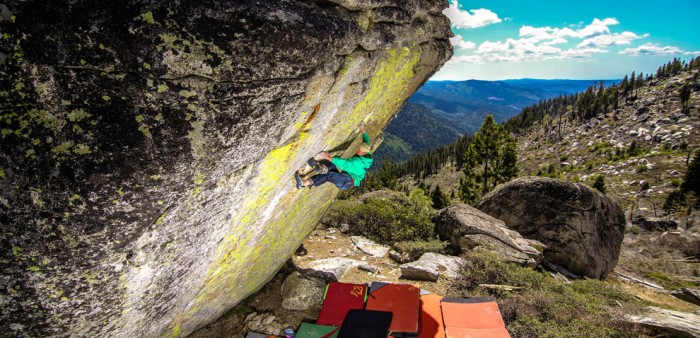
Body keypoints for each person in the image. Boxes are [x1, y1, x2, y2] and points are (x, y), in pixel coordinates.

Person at [295, 122, 373, 190]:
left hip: (347, 182)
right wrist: (362, 129)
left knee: (328, 175)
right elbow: (366, 141)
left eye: (359, 150)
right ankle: (322, 168)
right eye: (358, 148)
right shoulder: (367, 155)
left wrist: (327, 157)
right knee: (331, 164)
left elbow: (344, 164)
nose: (357, 150)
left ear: (363, 153)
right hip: (346, 177)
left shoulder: (357, 163)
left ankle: (303, 183)